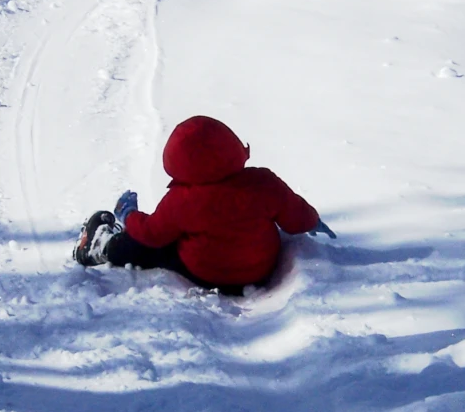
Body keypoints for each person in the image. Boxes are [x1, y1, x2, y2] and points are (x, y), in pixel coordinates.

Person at [73, 115, 335, 295]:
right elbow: (294, 213)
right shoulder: (262, 182)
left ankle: (104, 247)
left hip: (207, 273)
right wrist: (312, 221)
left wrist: (129, 216)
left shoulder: (182, 201)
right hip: (259, 270)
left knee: (151, 246)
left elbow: (152, 233)